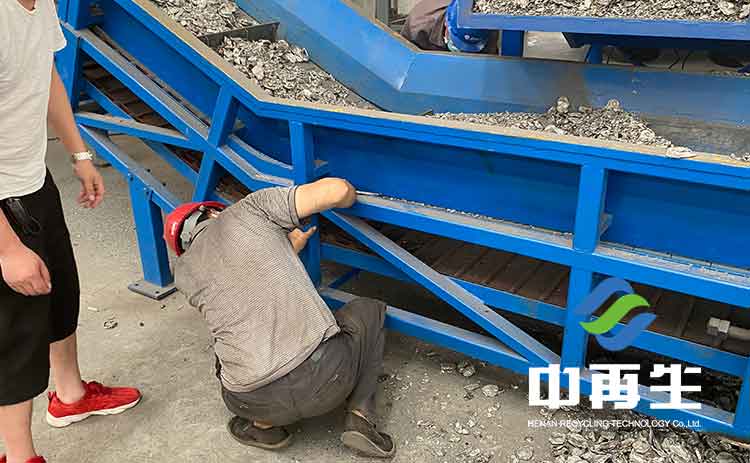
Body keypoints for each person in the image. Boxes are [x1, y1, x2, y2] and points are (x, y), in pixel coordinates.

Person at [0, 0, 142, 462]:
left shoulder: (39, 4)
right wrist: (7, 249)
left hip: (32, 181)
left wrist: (79, 155)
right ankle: (20, 456)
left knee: (61, 293)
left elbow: (46, 78)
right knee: (16, 334)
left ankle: (71, 395)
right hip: (3, 204)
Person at [165, 178, 395, 458]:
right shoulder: (250, 209)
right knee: (369, 311)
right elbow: (337, 191)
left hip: (248, 401)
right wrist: (351, 198)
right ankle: (361, 418)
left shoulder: (184, 273)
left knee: (227, 336)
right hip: (325, 382)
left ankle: (263, 426)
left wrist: (286, 248)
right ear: (213, 212)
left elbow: (237, 286)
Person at [401, 0, 499, 54]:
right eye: (458, 46)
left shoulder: (488, 30)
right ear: (446, 25)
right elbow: (403, 59)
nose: (462, 53)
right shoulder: (417, 25)